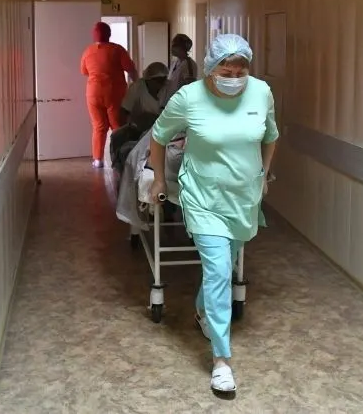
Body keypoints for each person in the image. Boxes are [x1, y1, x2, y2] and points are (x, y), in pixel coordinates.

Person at [148, 33, 279, 395]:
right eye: (226, 70)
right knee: (220, 270)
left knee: (225, 262)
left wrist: (264, 175)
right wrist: (159, 179)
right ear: (209, 67)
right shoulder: (188, 98)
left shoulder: (261, 93)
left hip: (243, 197)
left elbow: (270, 136)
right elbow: (158, 136)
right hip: (203, 196)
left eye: (241, 70)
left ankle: (203, 310)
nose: (234, 77)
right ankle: (222, 361)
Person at [80, 21, 137, 168]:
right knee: (118, 126)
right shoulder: (117, 50)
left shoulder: (88, 51)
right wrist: (138, 84)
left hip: (93, 93)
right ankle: (120, 158)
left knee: (98, 126)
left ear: (94, 35)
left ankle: (97, 160)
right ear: (109, 34)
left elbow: (84, 71)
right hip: (114, 93)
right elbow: (130, 69)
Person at [109, 62, 169, 173]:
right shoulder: (137, 88)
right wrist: (129, 126)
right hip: (140, 126)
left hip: (164, 127)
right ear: (148, 80)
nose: (160, 84)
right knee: (118, 138)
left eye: (163, 80)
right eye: (157, 81)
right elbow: (124, 111)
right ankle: (122, 170)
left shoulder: (170, 87)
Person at [158, 33, 198, 108]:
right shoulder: (175, 62)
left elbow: (190, 87)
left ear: (181, 47)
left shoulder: (189, 64)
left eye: (173, 46)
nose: (171, 48)